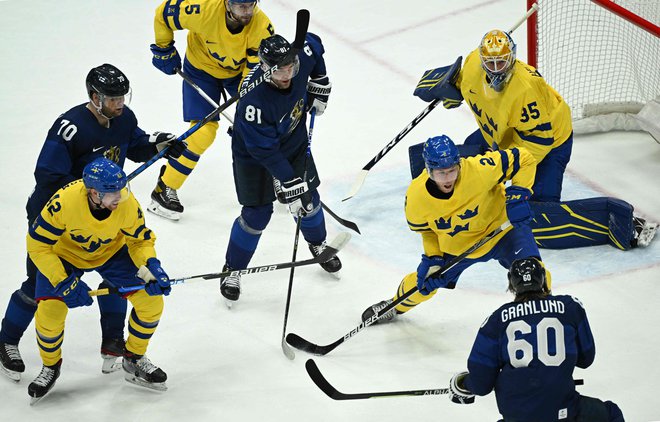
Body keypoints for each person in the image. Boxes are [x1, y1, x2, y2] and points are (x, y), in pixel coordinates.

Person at [0, 63, 184, 382]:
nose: (120, 103)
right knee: (40, 286)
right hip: (57, 213)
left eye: (122, 96)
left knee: (121, 274)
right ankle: (6, 341)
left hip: (106, 209)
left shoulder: (122, 118)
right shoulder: (70, 127)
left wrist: (160, 145)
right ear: (94, 97)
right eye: (113, 98)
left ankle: (114, 344)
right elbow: (48, 175)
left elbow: (137, 146)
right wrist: (92, 191)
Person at [413, 29, 657, 250]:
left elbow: (535, 147)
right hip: (502, 133)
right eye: (491, 62)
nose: (496, 68)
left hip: (548, 144)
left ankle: (619, 221)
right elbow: (457, 80)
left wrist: (514, 179)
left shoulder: (526, 88)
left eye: (501, 62)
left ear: (512, 59)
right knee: (466, 160)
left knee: (536, 217)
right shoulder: (474, 64)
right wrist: (445, 86)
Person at [26, 158, 172, 403]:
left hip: (111, 253)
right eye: (114, 193)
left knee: (151, 303)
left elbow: (139, 241)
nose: (121, 197)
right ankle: (50, 366)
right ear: (93, 193)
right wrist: (63, 281)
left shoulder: (125, 203)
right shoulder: (64, 203)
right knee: (50, 313)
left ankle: (134, 358)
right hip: (65, 257)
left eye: (122, 190)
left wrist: (150, 266)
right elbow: (38, 245)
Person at [362, 135, 550, 323]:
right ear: (428, 170)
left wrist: (519, 194)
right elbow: (426, 230)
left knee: (533, 271)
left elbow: (524, 158)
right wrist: (433, 256)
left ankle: (547, 314)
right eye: (441, 173)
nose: (448, 178)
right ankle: (394, 305)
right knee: (425, 283)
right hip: (460, 246)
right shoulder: (416, 198)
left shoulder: (480, 169)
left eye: (452, 170)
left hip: (503, 231)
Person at [219, 32, 339, 305]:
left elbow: (314, 43)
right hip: (253, 154)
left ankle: (318, 244)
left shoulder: (297, 61)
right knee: (257, 214)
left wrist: (319, 81)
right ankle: (233, 269)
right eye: (281, 70)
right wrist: (289, 181)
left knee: (310, 200)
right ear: (264, 68)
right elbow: (264, 151)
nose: (288, 75)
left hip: (292, 140)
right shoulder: (254, 102)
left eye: (291, 67)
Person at [448, 257, 624, 422]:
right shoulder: (570, 307)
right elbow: (586, 359)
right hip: (564, 410)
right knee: (611, 414)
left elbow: (481, 385)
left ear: (511, 283)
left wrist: (465, 384)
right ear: (543, 279)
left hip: (517, 415)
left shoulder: (497, 320)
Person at [148, 0, 275, 220]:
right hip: (200, 71)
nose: (247, 11)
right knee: (203, 133)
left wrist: (246, 116)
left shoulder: (262, 27)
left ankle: (280, 175)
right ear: (227, 3)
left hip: (238, 75)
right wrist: (163, 47)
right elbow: (163, 14)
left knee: (264, 120)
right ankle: (165, 187)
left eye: (250, 5)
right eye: (240, 6)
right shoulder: (200, 9)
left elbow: (254, 72)